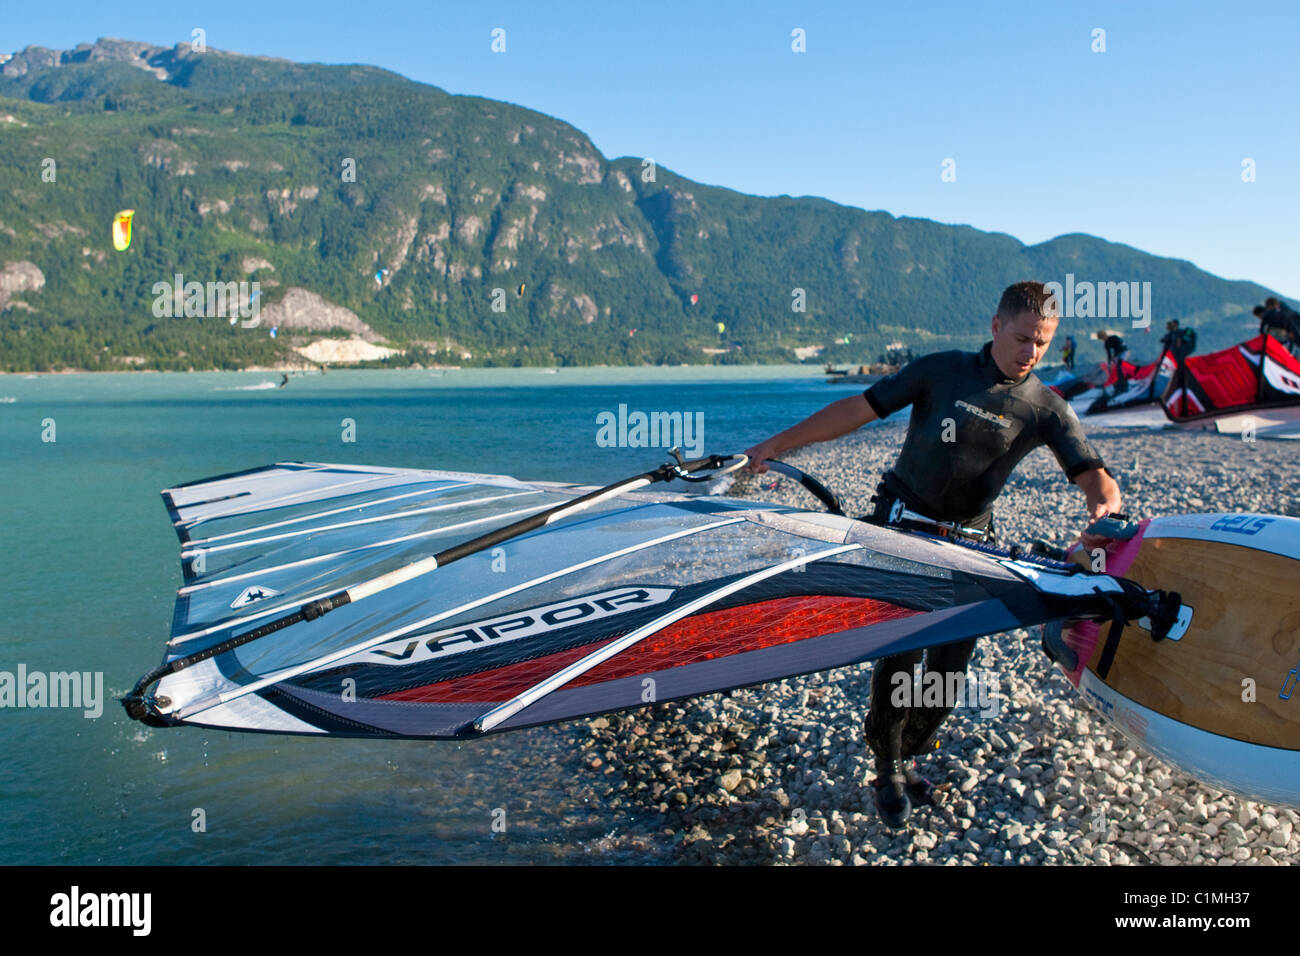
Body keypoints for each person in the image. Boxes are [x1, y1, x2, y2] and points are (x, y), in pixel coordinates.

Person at [744, 281, 1121, 828]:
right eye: (1021, 339)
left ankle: (904, 751)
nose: (1030, 353)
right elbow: (859, 408)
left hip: (969, 543)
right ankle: (889, 766)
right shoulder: (941, 371)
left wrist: (1103, 507)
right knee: (901, 654)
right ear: (995, 327)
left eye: (1041, 344)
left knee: (947, 674)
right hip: (899, 525)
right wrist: (779, 443)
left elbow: (1091, 472)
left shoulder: (1046, 408)